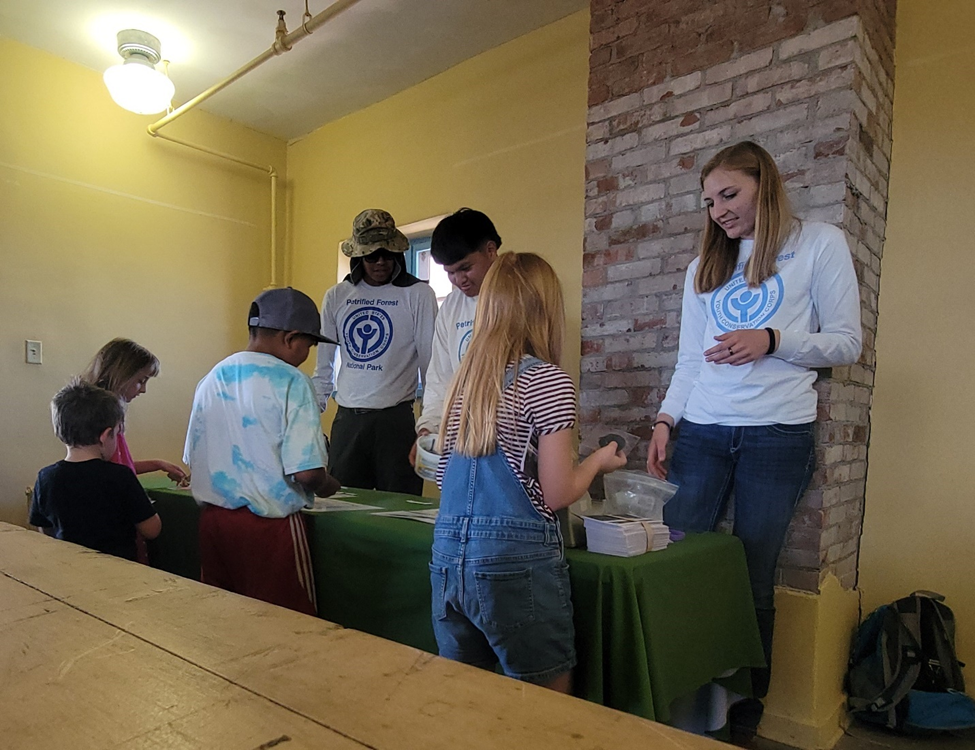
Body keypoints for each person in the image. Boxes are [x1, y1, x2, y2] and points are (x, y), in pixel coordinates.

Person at [645, 141, 862, 741]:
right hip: (703, 431)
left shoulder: (819, 243)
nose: (718, 210)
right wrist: (666, 422)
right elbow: (690, 360)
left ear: (764, 184)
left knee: (752, 571)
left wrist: (772, 339)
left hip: (778, 433)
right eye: (710, 200)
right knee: (683, 562)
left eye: (729, 194)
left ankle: (743, 711)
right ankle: (681, 695)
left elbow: (846, 342)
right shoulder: (703, 269)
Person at [431, 252, 626, 693]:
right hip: (514, 562)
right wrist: (598, 461)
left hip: (447, 560)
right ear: (545, 309)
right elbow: (558, 492)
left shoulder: (464, 383)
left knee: (465, 698)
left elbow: (447, 482)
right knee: (545, 705)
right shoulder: (548, 381)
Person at [184, 287, 341, 615]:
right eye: (309, 346)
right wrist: (330, 485)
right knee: (287, 625)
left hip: (214, 523)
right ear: (290, 338)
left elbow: (193, 458)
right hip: (269, 529)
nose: (306, 354)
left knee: (224, 619)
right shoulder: (293, 382)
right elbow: (307, 473)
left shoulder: (212, 378)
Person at [313, 209, 438, 495]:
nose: (380, 261)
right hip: (348, 419)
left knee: (399, 507)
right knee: (342, 504)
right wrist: (309, 417)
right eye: (371, 255)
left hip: (395, 420)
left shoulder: (418, 294)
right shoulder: (337, 296)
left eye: (387, 253)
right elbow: (324, 366)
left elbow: (431, 366)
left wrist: (430, 423)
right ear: (359, 255)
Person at [30, 379, 161, 561]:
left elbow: (45, 530)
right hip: (120, 571)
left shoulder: (45, 477)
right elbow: (152, 529)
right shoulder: (120, 476)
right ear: (105, 436)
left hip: (69, 568)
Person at [412, 208, 500, 458]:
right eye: (450, 273)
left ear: (491, 251)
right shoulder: (451, 307)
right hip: (461, 440)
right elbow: (440, 378)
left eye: (465, 268)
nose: (459, 280)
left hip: (509, 438)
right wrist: (429, 427)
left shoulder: (520, 297)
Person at [81, 338, 188, 484]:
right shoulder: (98, 419)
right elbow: (109, 472)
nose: (143, 390)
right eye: (140, 381)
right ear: (122, 374)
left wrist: (158, 464)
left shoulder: (113, 416)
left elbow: (123, 466)